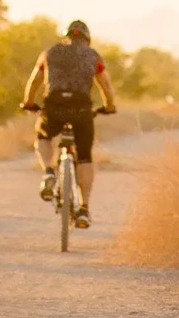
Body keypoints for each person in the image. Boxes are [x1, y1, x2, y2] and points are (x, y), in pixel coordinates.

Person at [20, 19, 118, 224]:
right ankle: (84, 208)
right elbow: (106, 87)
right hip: (81, 108)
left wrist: (28, 103)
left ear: (67, 37)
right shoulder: (93, 56)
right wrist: (109, 107)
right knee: (84, 157)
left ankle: (48, 171)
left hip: (54, 105)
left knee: (43, 135)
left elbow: (34, 81)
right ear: (87, 39)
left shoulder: (50, 53)